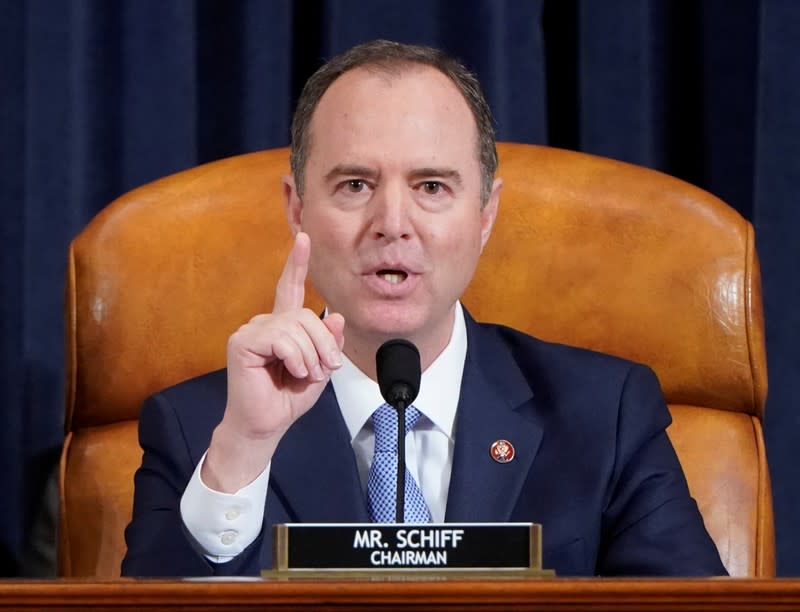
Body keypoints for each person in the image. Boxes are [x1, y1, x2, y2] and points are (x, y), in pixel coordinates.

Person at [121, 40, 726, 577]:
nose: (391, 224)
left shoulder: (605, 416)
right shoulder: (202, 429)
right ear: (296, 207)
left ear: (485, 215)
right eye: (355, 184)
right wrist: (245, 452)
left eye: (431, 187)